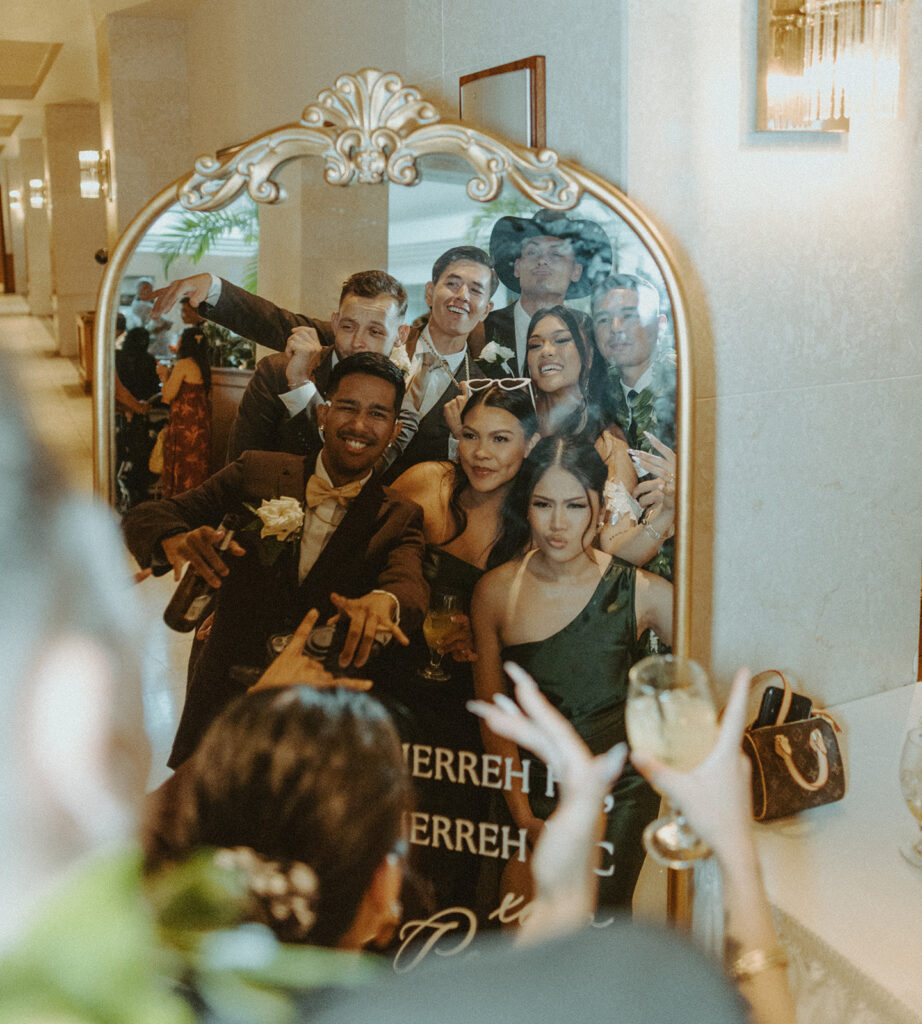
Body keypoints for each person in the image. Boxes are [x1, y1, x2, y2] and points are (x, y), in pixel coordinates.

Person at [122, 352, 429, 767]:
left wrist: (385, 602)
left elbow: (409, 586)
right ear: (323, 414)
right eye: (348, 407)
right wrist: (175, 538)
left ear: (394, 431)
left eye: (377, 414)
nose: (359, 425)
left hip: (319, 713)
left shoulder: (400, 515)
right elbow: (146, 516)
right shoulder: (257, 470)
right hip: (225, 697)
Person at [471, 436, 673, 911]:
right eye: (543, 504)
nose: (558, 524)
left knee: (600, 925)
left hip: (620, 795)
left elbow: (708, 664)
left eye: (575, 505)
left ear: (600, 508)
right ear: (526, 507)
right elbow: (494, 722)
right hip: (532, 794)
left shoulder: (643, 592)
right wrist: (524, 817)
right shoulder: (494, 593)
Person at [387, 382, 540, 911]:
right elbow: (365, 557)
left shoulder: (536, 521)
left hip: (473, 706)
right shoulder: (428, 483)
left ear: (530, 446)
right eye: (471, 436)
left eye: (500, 439)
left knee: (452, 855)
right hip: (398, 681)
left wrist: (487, 635)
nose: (481, 453)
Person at [525, 305, 675, 569]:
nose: (546, 351)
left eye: (561, 340)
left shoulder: (607, 443)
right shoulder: (512, 425)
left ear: (589, 355)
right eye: (535, 345)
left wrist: (667, 513)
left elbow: (617, 547)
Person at [219, 270, 411, 462]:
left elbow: (361, 469)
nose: (357, 343)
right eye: (348, 327)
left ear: (401, 335)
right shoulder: (276, 372)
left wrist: (301, 386)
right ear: (335, 323)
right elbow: (241, 466)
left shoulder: (402, 400)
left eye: (375, 332)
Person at [383, 246, 501, 481]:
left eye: (475, 290)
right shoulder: (387, 344)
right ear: (429, 292)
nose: (463, 296)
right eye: (453, 284)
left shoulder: (481, 389)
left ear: (486, 310)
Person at [475, 209, 613, 375]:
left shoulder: (588, 330)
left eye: (555, 254)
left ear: (576, 271)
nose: (542, 261)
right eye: (532, 252)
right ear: (517, 267)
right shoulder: (482, 328)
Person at [590, 273, 676, 451]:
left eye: (629, 316)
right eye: (603, 320)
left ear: (660, 326)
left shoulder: (685, 387)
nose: (615, 328)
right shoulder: (594, 393)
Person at [156, 325, 213, 498]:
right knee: (196, 468)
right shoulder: (203, 366)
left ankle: (176, 504)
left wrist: (163, 375)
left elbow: (168, 395)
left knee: (181, 466)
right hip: (200, 426)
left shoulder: (183, 364)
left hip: (184, 427)